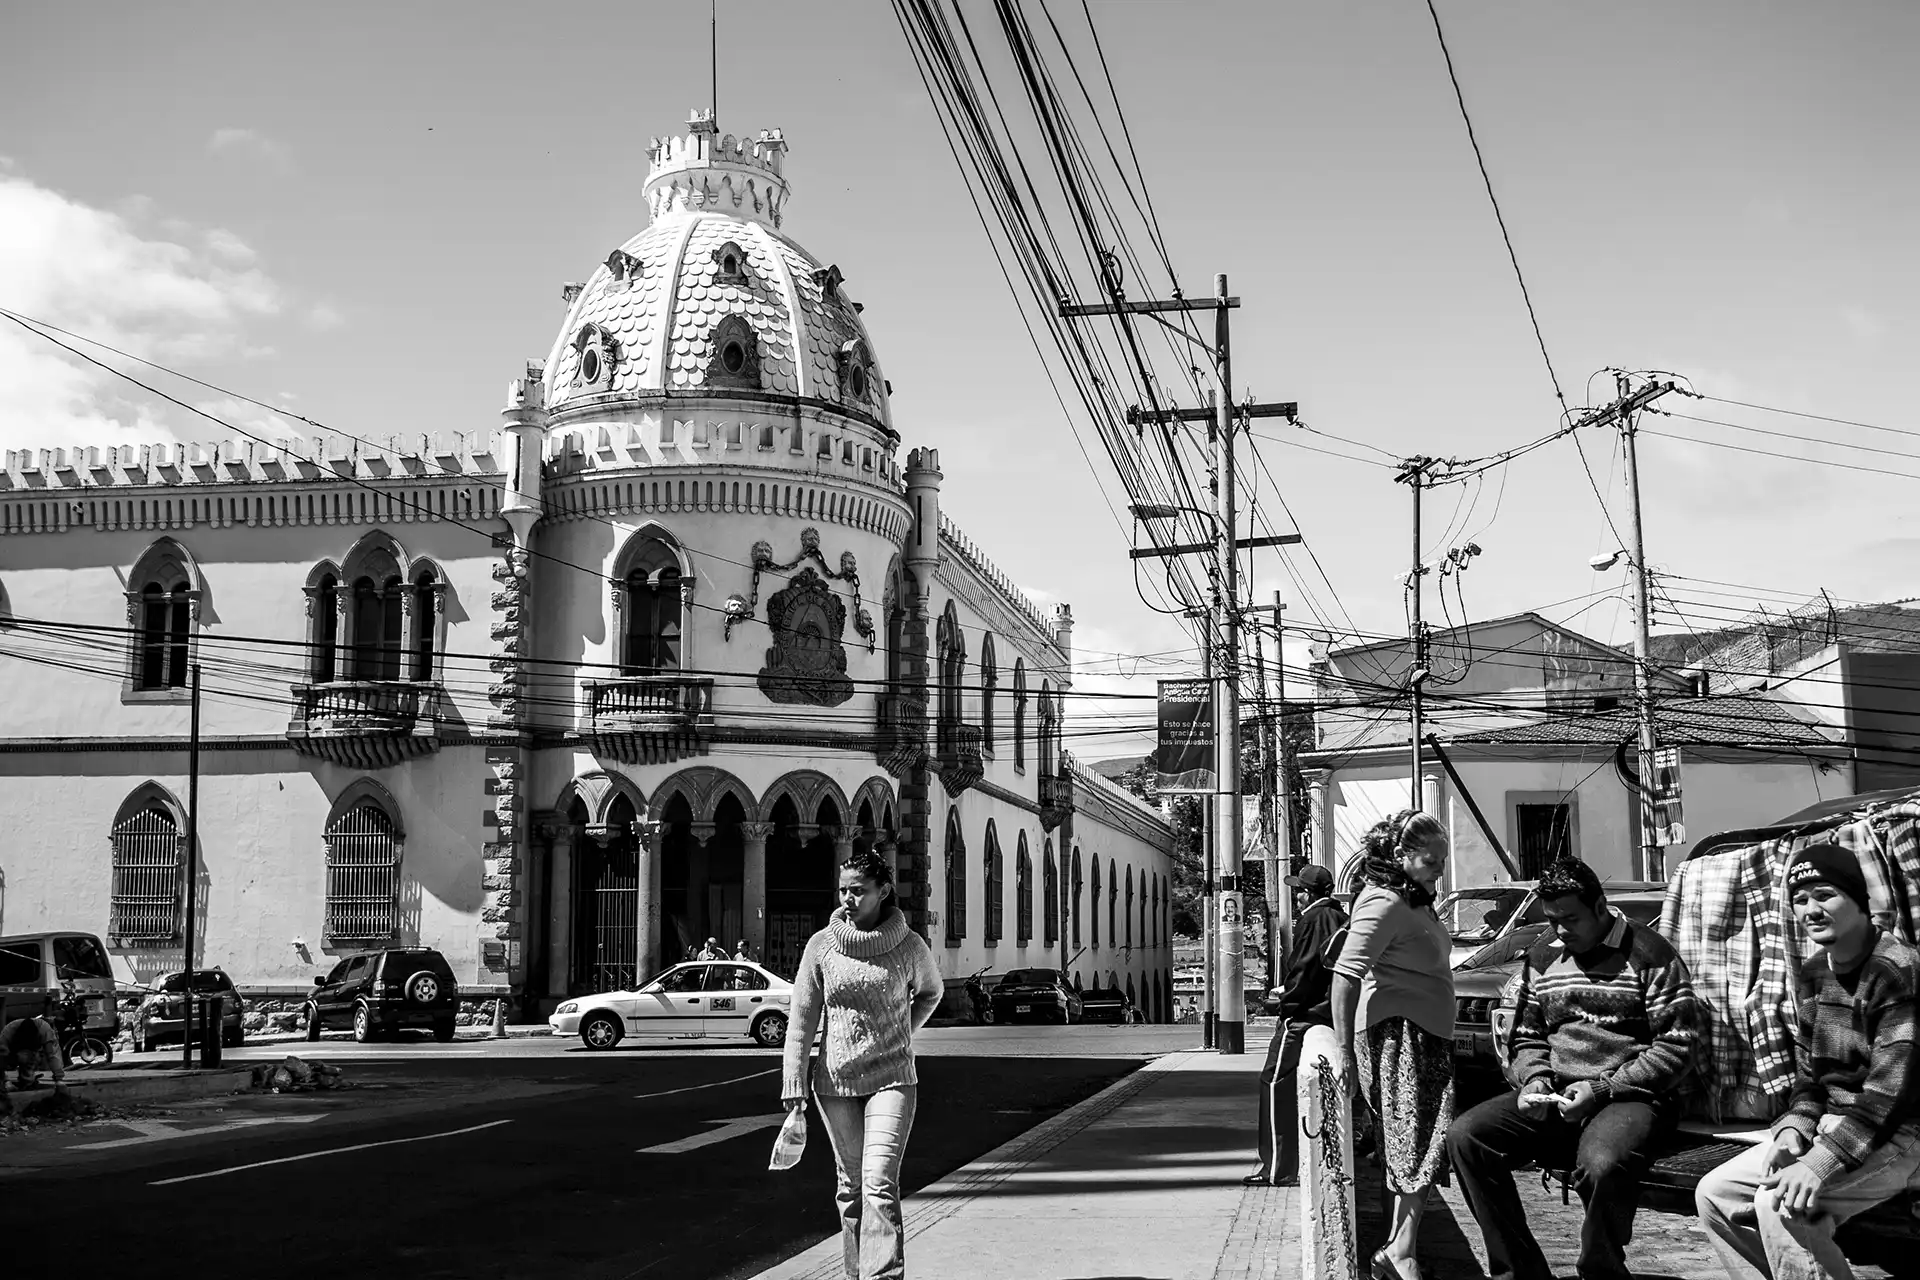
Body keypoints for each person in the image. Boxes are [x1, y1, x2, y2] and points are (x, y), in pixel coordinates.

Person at [1447, 857, 1702, 1280]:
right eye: (1552, 919)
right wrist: (1534, 1078)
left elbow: (1677, 1047)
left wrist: (1602, 1090)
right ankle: (1519, 1273)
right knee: (1467, 1137)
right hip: (1557, 1092)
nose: (1560, 930)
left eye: (1570, 919)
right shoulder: (1543, 955)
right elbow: (1525, 1036)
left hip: (1632, 1096)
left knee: (1601, 1163)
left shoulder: (1650, 953)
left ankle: (1601, 1270)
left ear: (1600, 908)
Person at [1696, 841, 1920, 1280]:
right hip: (1835, 1130)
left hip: (1902, 1134)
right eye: (1799, 900)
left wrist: (1819, 1163)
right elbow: (1809, 1077)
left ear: (1859, 900)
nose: (1810, 910)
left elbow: (1889, 1096)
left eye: (1824, 895)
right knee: (1716, 1194)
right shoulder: (1816, 971)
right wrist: (1792, 1131)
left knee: (1781, 1202)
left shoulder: (1897, 970)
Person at [782, 846, 943, 1280]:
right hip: (835, 1083)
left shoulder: (909, 946)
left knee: (877, 1182)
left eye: (858, 890)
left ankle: (882, 1276)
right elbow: (802, 1017)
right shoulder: (821, 946)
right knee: (851, 1186)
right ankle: (855, 1273)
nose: (847, 899)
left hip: (893, 1078)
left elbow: (931, 992)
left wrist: (903, 1030)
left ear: (883, 891)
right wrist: (793, 1083)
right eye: (843, 890)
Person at [1331, 809, 1456, 1280]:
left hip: (1426, 1034)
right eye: (1431, 860)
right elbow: (1345, 975)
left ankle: (1398, 1249)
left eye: (1442, 860)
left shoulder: (1414, 899)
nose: (1439, 868)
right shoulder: (1383, 901)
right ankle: (1399, 1253)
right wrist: (1344, 1050)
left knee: (1410, 1143)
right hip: (1400, 1035)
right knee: (1419, 1141)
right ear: (1402, 854)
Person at [1246, 862, 1350, 1187]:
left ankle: (1277, 1168)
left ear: (1309, 894)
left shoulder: (1315, 919)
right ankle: (1285, 1164)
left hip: (1304, 1015)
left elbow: (1305, 970)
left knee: (1274, 1082)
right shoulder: (1339, 917)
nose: (1298, 897)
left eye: (1300, 891)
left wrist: (1285, 1002)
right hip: (1325, 1013)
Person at [0, 1011, 65, 1115]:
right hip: (12, 1050)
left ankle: (27, 1081)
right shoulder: (7, 1034)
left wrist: (59, 1079)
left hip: (34, 1049)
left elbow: (52, 1055)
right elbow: (1, 1060)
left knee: (32, 1060)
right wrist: (4, 1081)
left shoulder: (45, 1031)